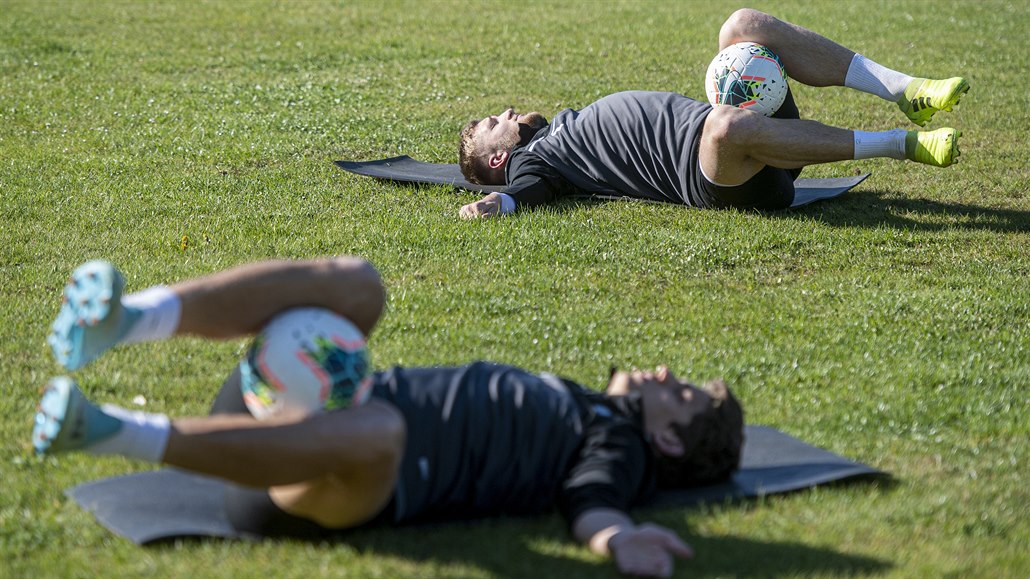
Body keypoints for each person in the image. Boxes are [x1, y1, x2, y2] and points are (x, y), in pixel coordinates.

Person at [33, 257, 744, 578]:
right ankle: (128, 321)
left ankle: (105, 429)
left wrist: (618, 539)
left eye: (680, 393)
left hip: (321, 481)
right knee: (360, 285)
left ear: (669, 437)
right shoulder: (589, 399)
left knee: (386, 431)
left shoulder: (618, 444)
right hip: (295, 399)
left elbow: (592, 502)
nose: (664, 375)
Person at [458, 9, 970, 218]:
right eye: (490, 123)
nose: (502, 111)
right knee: (725, 125)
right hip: (715, 173)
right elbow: (525, 193)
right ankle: (902, 144)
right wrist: (496, 204)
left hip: (749, 133)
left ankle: (906, 88)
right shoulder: (539, 163)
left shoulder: (562, 126)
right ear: (500, 158)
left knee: (740, 25)